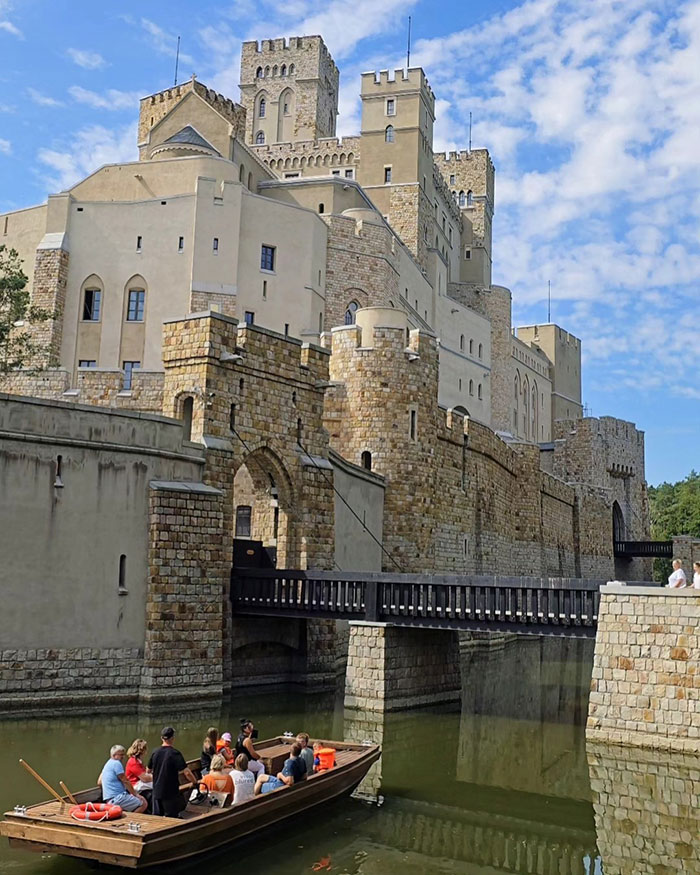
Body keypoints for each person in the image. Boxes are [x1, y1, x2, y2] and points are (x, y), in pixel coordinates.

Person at [148, 726, 196, 818]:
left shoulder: (155, 752)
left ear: (161, 738)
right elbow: (187, 773)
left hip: (157, 791)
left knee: (156, 818)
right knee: (171, 818)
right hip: (170, 793)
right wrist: (195, 782)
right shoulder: (175, 753)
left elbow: (148, 770)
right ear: (173, 738)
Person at [98, 744, 148, 813]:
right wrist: (136, 794)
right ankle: (131, 820)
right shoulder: (116, 763)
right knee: (143, 803)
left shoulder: (107, 764)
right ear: (114, 755)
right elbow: (125, 781)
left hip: (109, 800)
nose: (123, 757)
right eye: (121, 755)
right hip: (118, 798)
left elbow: (99, 782)